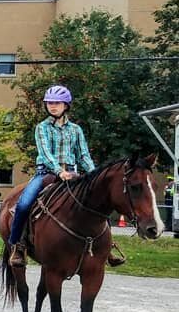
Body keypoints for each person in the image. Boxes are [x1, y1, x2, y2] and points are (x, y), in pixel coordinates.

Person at [8, 85, 122, 267]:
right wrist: (59, 171)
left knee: (99, 202)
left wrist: (94, 174)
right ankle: (17, 246)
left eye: (57, 103)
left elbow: (83, 154)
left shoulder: (76, 130)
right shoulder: (41, 128)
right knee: (23, 204)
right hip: (46, 173)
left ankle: (107, 247)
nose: (52, 106)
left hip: (72, 173)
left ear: (66, 105)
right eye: (49, 103)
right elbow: (45, 153)